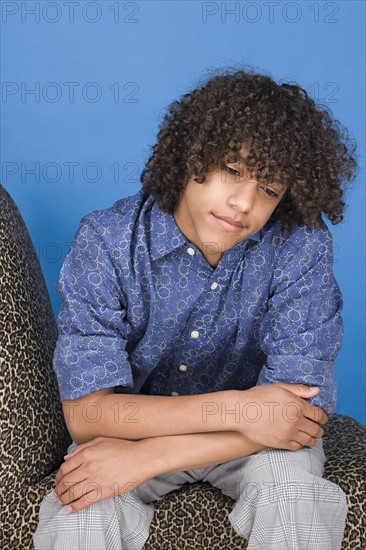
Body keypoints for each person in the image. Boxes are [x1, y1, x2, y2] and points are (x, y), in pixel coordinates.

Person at [33, 66, 357, 550]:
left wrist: (153, 458)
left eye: (268, 189)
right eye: (232, 170)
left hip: (257, 443)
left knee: (292, 493)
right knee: (81, 508)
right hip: (139, 431)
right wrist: (240, 409)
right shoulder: (107, 241)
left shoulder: (300, 247)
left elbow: (296, 416)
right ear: (192, 156)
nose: (244, 203)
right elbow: (86, 415)